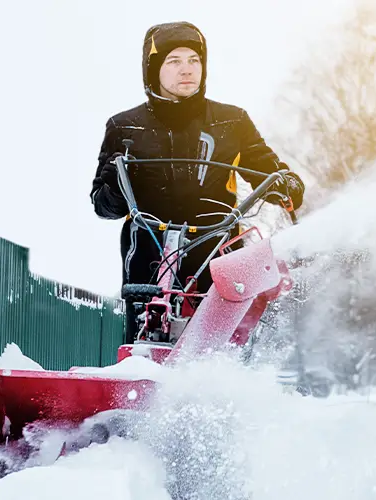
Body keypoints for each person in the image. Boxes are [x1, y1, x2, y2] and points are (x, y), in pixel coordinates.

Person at [89, 21, 305, 343]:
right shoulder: (125, 127)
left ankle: (221, 377)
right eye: (174, 61)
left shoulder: (232, 122)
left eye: (194, 60)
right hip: (150, 244)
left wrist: (286, 184)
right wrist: (112, 189)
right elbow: (103, 206)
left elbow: (266, 167)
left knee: (220, 344)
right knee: (147, 340)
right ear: (153, 70)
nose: (186, 70)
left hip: (217, 243)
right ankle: (142, 371)